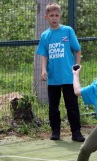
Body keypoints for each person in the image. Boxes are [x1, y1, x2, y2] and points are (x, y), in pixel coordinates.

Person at [36, 2, 85, 142]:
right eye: (51, 15)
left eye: (57, 15)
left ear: (60, 16)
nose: (54, 18)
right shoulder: (45, 35)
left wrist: (76, 66)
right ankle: (55, 131)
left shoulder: (67, 31)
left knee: (72, 106)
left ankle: (76, 132)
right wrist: (44, 70)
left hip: (69, 77)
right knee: (53, 107)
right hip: (53, 78)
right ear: (46, 17)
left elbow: (77, 49)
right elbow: (43, 54)